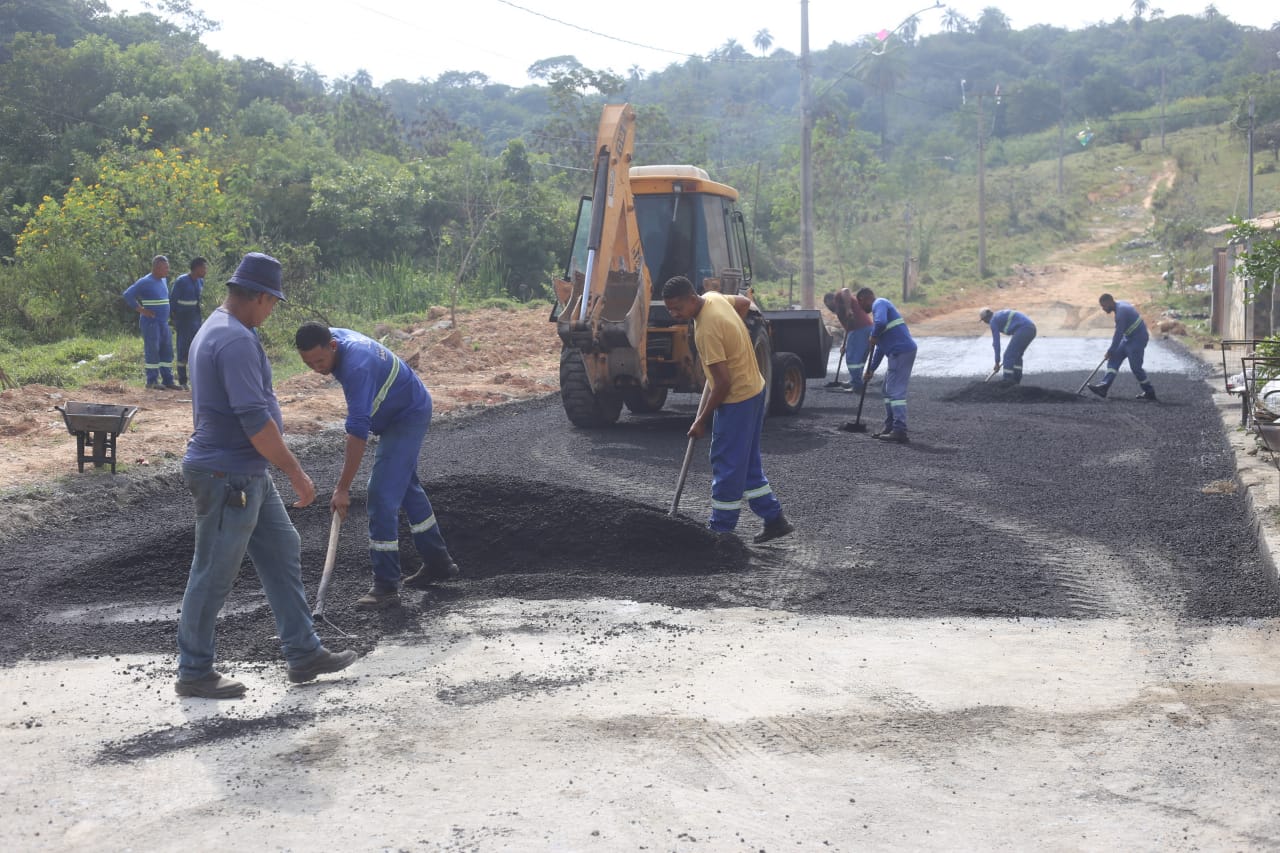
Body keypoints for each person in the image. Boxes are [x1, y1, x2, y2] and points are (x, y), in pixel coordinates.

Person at [177, 252, 357, 699]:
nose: (273, 310)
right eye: (273, 302)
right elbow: (255, 420)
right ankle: (195, 671)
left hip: (246, 472)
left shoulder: (221, 328)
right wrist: (296, 473)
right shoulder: (234, 340)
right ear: (259, 296)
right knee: (213, 572)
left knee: (282, 547)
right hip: (227, 474)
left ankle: (303, 652)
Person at [295, 322, 461, 610]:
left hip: (407, 414)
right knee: (406, 487)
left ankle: (385, 586)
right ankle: (438, 562)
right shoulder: (333, 339)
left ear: (332, 345)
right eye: (308, 363)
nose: (317, 369)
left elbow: (358, 432)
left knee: (381, 493)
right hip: (399, 406)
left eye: (320, 361)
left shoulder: (356, 367)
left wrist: (342, 489)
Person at [661, 276, 793, 544]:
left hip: (737, 399)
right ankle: (774, 519)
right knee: (747, 463)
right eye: (669, 309)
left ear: (690, 298)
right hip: (754, 389)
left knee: (727, 462)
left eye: (677, 308)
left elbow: (722, 384)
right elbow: (745, 303)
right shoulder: (714, 297)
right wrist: (734, 338)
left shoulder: (706, 330)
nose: (673, 314)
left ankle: (721, 532)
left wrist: (701, 420)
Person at [858, 287, 918, 444]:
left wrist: (873, 335)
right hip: (898, 352)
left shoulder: (880, 303)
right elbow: (879, 349)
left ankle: (899, 430)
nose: (861, 308)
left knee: (895, 391)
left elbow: (881, 323)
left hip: (900, 352)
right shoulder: (878, 315)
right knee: (887, 389)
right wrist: (871, 369)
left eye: (860, 303)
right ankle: (890, 426)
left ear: (864, 298)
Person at [122, 255, 178, 390]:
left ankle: (168, 380)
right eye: (165, 268)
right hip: (151, 323)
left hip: (163, 323)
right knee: (153, 350)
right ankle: (151, 381)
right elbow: (127, 294)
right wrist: (141, 310)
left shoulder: (163, 280)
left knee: (167, 350)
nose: (167, 270)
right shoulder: (145, 281)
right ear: (156, 268)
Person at [1089, 293, 1157, 401]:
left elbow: (1118, 335)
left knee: (1136, 368)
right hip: (1128, 338)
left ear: (1109, 302)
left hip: (1138, 339)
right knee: (1114, 358)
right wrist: (1112, 352)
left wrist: (1110, 350)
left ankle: (1150, 392)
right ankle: (1104, 387)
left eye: (1104, 306)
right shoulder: (1120, 305)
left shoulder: (1121, 313)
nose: (1103, 309)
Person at [823, 288, 874, 391]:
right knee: (859, 359)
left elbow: (845, 290)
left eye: (827, 304)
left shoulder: (839, 298)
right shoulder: (840, 310)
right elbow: (848, 327)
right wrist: (844, 344)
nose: (828, 307)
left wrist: (848, 309)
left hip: (859, 329)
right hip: (866, 328)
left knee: (852, 359)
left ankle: (857, 384)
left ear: (831, 300)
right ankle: (855, 381)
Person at [169, 257, 208, 391]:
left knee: (196, 349)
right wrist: (175, 320)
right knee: (182, 350)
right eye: (203, 267)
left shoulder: (200, 282)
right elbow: (173, 302)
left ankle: (196, 381)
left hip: (196, 321)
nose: (205, 271)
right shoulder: (181, 281)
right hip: (183, 322)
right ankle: (182, 381)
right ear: (196, 268)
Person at [979, 307, 1037, 384]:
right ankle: (1016, 381)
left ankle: (1007, 382)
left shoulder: (993, 321)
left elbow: (996, 343)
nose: (985, 322)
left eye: (983, 321)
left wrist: (997, 362)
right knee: (1016, 356)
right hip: (1031, 329)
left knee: (1008, 356)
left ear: (985, 319)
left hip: (1024, 329)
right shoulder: (998, 315)